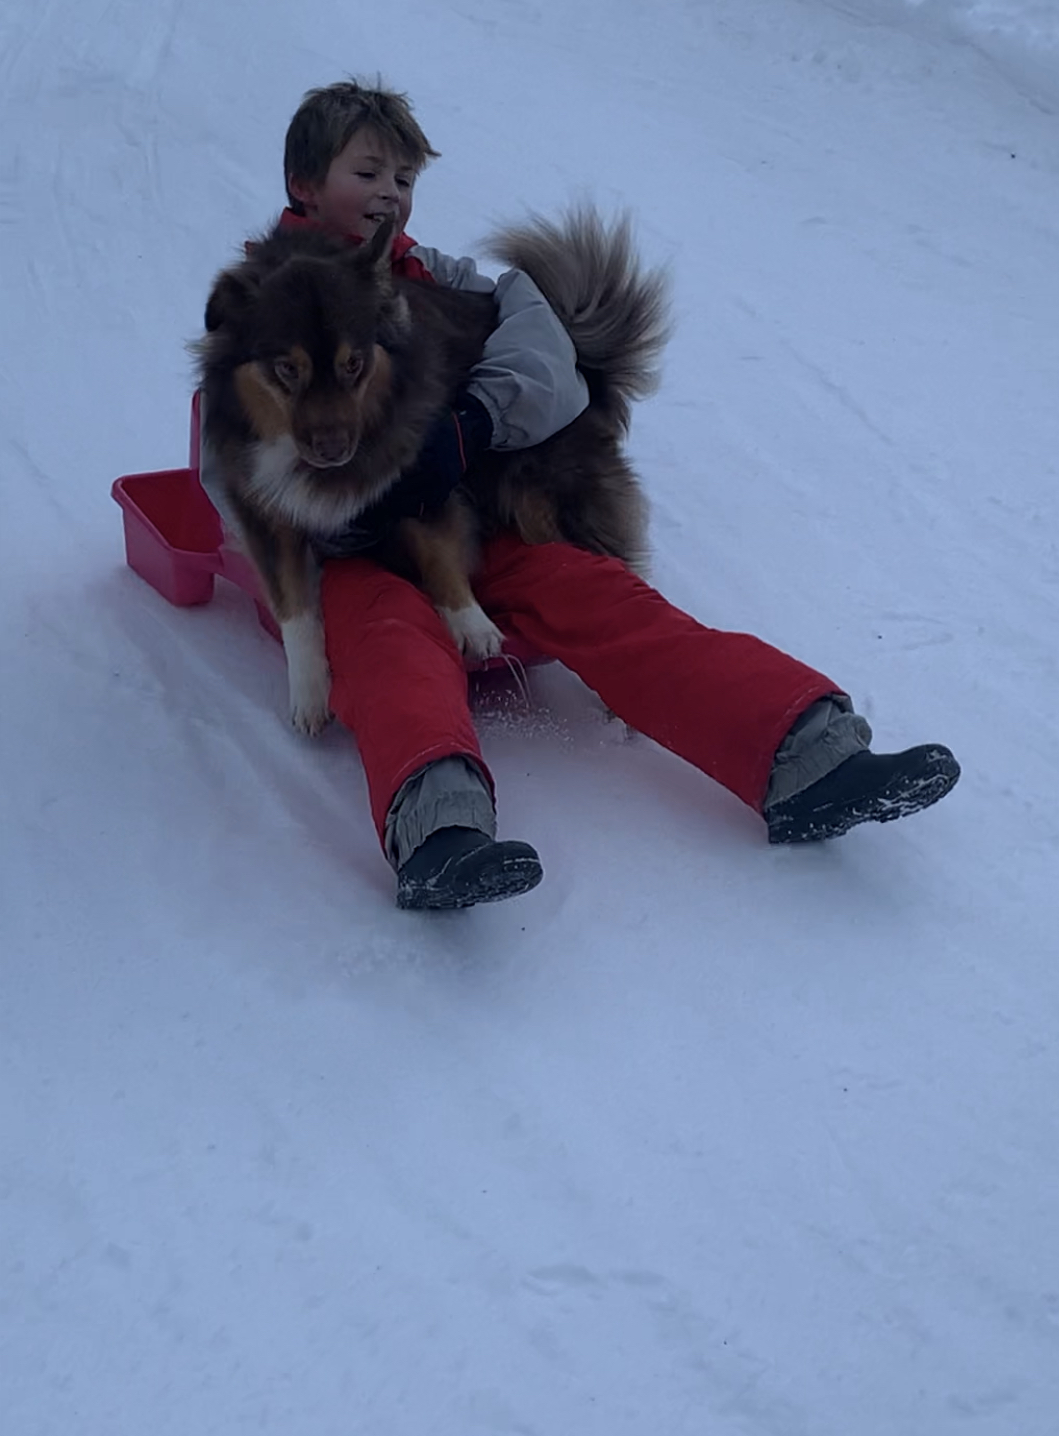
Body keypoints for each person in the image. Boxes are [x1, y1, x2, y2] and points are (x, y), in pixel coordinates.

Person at [215, 78, 960, 911]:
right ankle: (440, 829)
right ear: (304, 185)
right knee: (392, 646)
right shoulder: (257, 299)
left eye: (404, 178)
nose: (391, 193)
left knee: (595, 593)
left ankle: (803, 753)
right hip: (347, 557)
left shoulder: (437, 274)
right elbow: (223, 451)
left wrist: (470, 422)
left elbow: (541, 346)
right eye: (368, 173)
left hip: (466, 516)